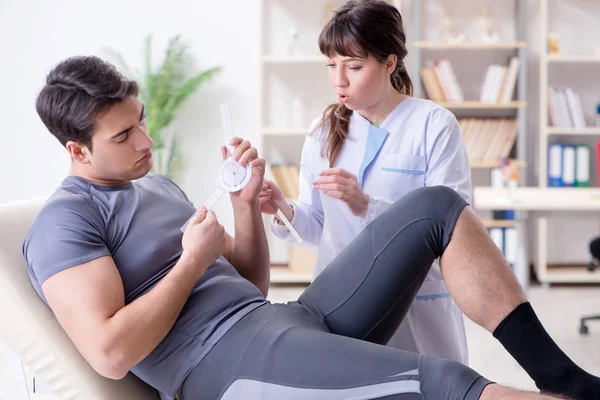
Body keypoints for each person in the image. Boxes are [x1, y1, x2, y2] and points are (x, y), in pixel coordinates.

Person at [22, 55, 600, 400]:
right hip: (220, 366)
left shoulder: (152, 184)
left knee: (436, 206)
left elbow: (250, 287)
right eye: (123, 137)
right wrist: (193, 261)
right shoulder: (64, 221)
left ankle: (561, 375)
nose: (146, 142)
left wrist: (246, 204)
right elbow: (110, 354)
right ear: (77, 150)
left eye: (141, 120)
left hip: (279, 320)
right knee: (448, 382)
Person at [262, 0, 470, 363]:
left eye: (354, 66)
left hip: (415, 308)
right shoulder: (322, 132)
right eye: (331, 65)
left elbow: (454, 234)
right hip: (339, 306)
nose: (338, 80)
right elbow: (319, 227)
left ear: (389, 63)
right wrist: (284, 210)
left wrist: (365, 206)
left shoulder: (433, 126)